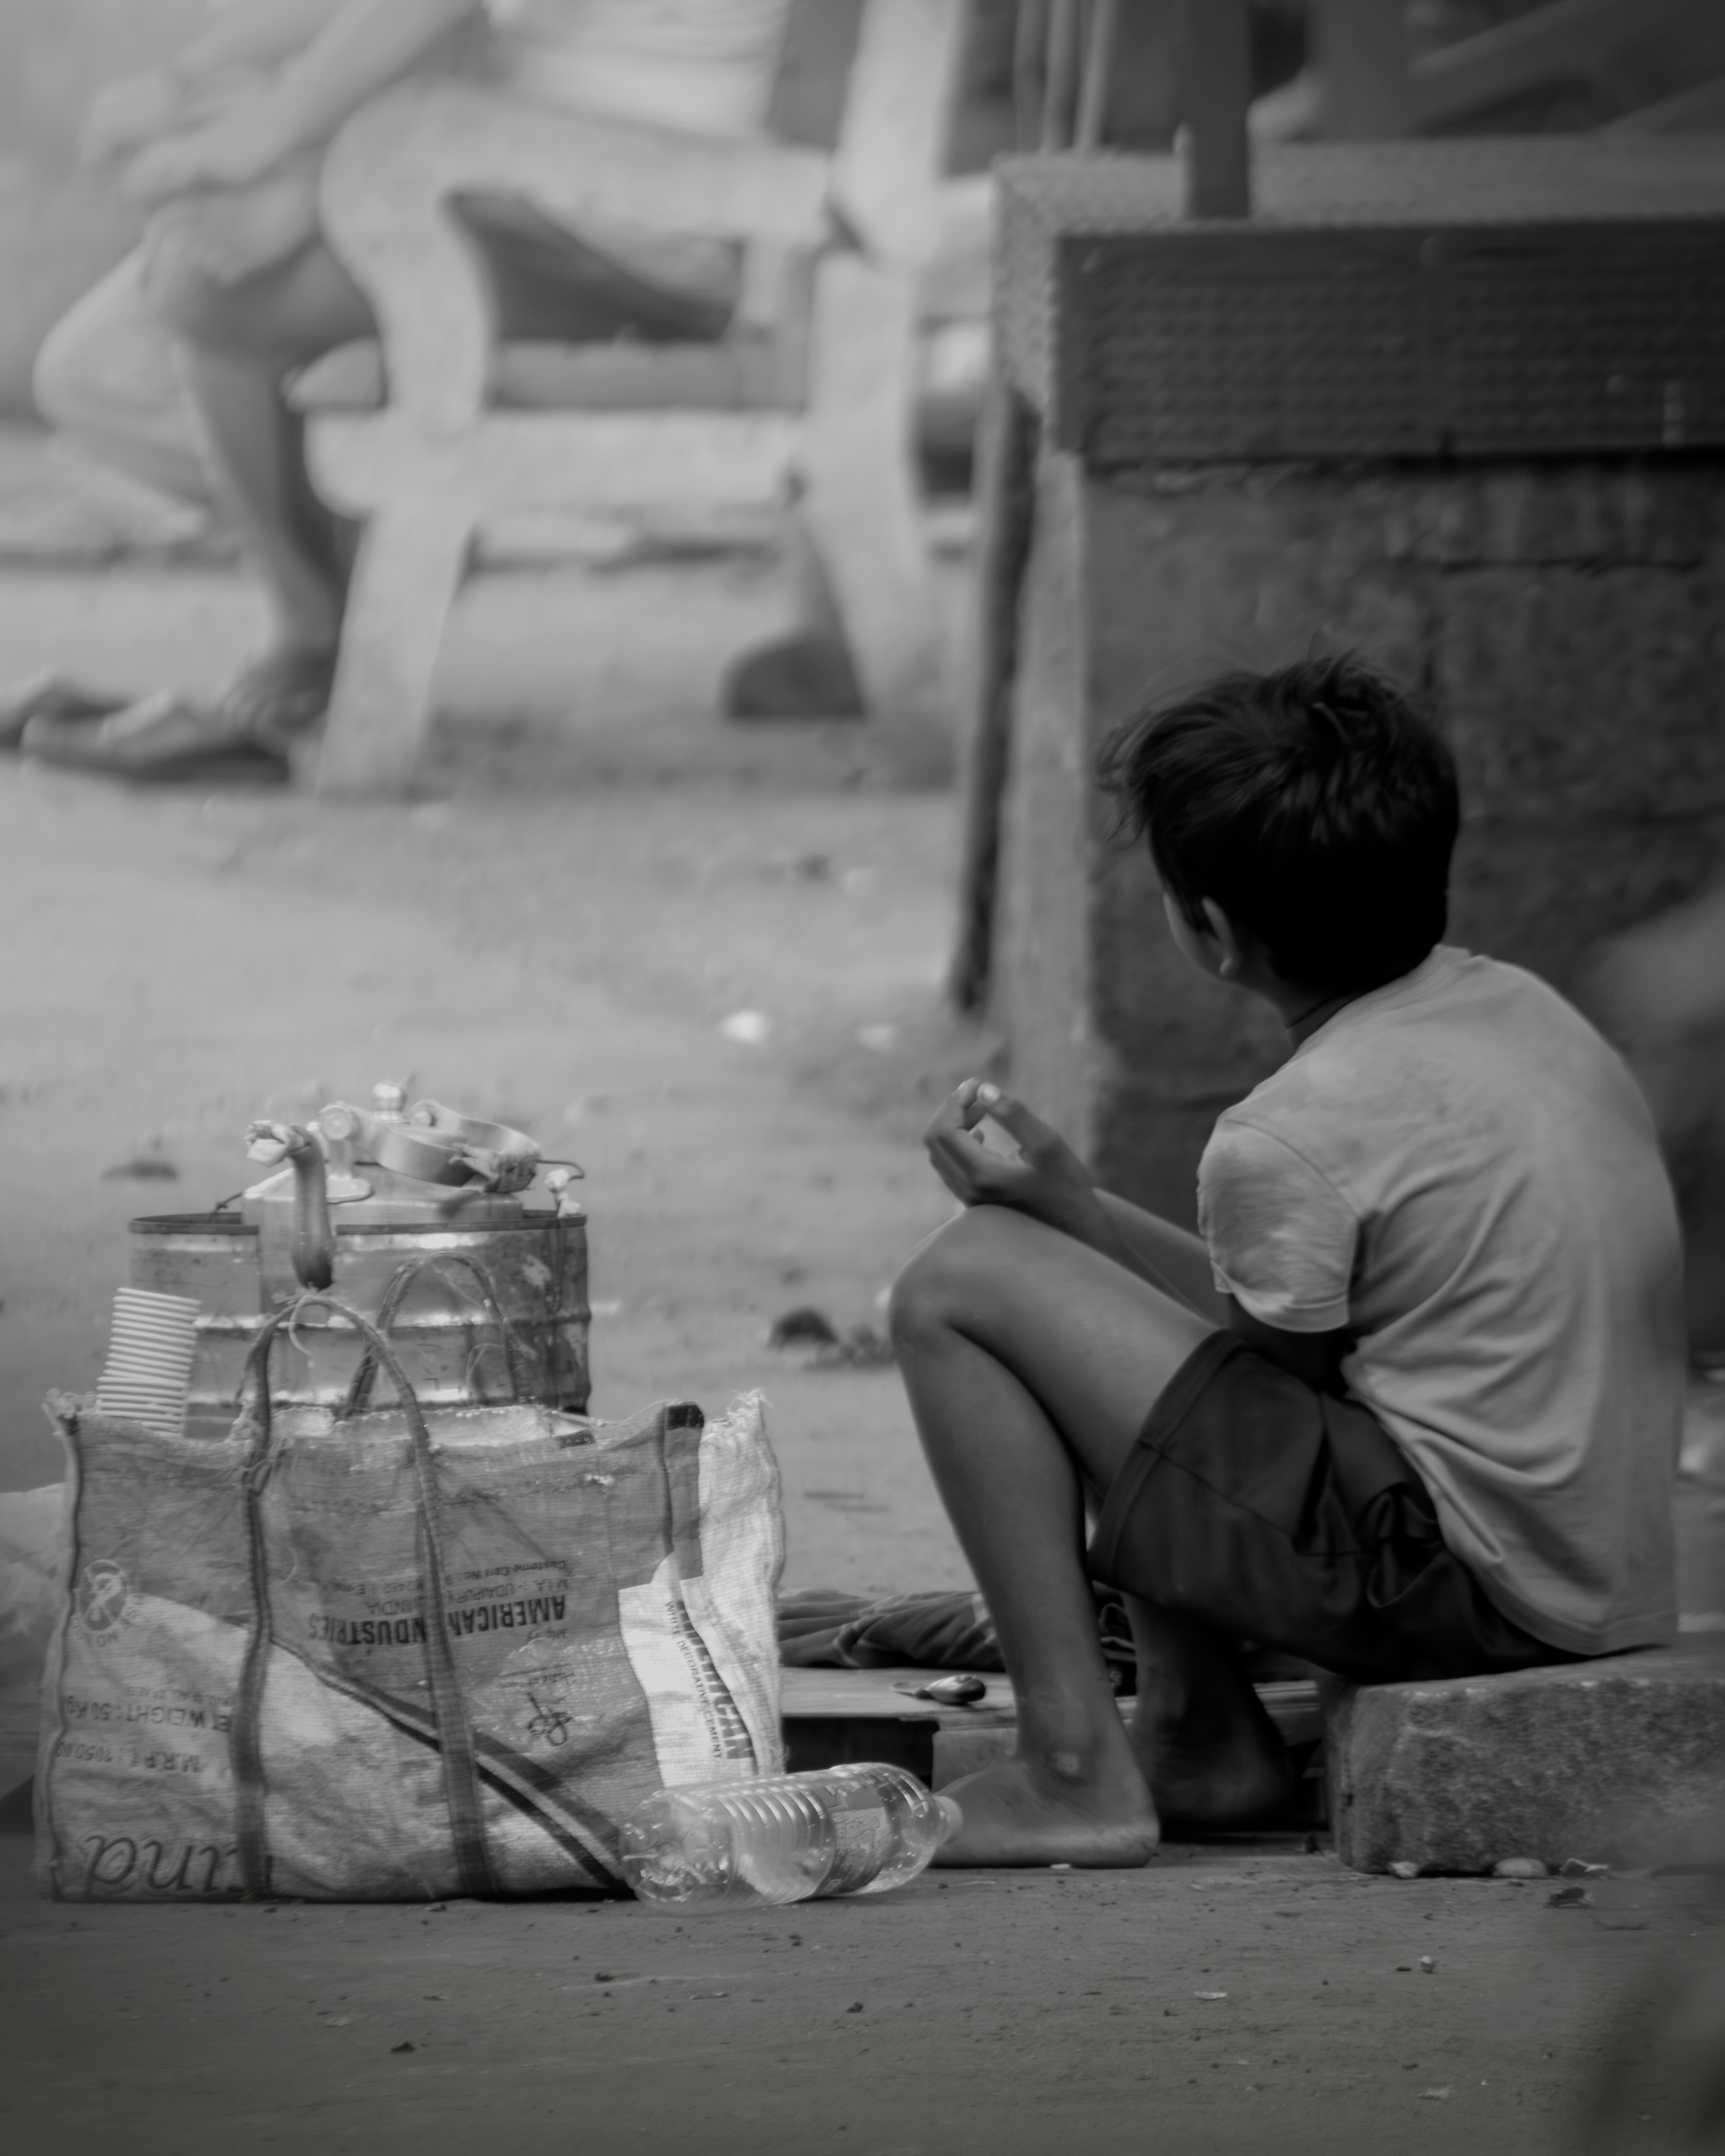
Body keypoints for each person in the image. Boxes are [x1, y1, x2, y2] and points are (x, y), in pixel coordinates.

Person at [890, 655, 1685, 1868]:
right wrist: (1068, 1207)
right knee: (1036, 1260)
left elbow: (1246, 1398)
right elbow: (1232, 1385)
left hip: (1470, 1587)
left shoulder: (1286, 1132)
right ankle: (1198, 1735)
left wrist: (1045, 1238)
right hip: (1587, 1565)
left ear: (1207, 930)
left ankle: (1071, 1770)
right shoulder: (1521, 1008)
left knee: (953, 1287)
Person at [13, 0, 795, 783]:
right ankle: (343, 624)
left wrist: (272, 146)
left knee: (208, 287)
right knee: (155, 305)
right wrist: (189, 82)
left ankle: (313, 646)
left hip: (621, 222)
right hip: (508, 181)